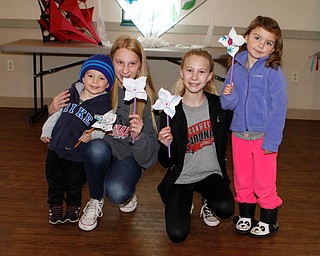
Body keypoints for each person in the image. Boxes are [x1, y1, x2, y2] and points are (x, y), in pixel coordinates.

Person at [49, 35, 159, 231]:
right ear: (111, 62)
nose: (125, 70)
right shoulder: (100, 84)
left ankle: (126, 188)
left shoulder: (147, 99)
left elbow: (149, 158)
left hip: (130, 155)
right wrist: (52, 110)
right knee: (96, 147)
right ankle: (95, 199)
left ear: (140, 65)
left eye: (132, 63)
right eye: (119, 62)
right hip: (104, 149)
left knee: (117, 191)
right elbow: (72, 113)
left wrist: (140, 135)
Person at [157, 49, 235, 243]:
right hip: (182, 177)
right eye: (190, 70)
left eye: (201, 72)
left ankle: (207, 199)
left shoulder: (219, 106)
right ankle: (184, 202)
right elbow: (166, 162)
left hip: (211, 174)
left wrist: (233, 98)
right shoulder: (169, 111)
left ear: (209, 77)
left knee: (226, 209)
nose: (194, 77)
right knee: (177, 234)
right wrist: (164, 144)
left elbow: (240, 124)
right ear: (181, 72)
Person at [220, 16, 287, 238]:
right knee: (242, 179)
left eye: (268, 43)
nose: (261, 45)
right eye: (257, 38)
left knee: (264, 181)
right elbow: (227, 104)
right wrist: (228, 95)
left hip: (263, 136)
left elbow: (279, 109)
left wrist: (272, 141)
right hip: (239, 134)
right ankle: (246, 216)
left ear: (274, 48)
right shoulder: (235, 67)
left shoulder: (273, 72)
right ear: (246, 37)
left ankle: (269, 220)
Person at [40, 54, 115, 224]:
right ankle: (55, 205)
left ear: (108, 83)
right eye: (90, 76)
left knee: (74, 182)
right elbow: (56, 114)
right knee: (54, 179)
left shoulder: (105, 107)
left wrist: (91, 136)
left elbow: (103, 129)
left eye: (101, 78)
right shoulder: (70, 95)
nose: (95, 81)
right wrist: (46, 130)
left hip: (77, 153)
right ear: (83, 76)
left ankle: (74, 205)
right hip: (55, 149)